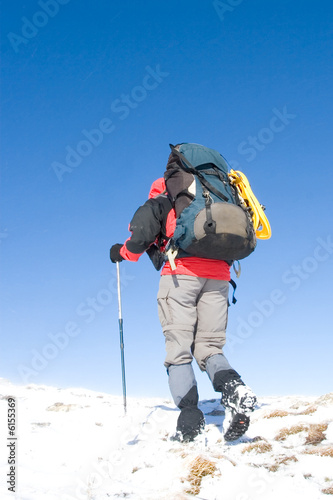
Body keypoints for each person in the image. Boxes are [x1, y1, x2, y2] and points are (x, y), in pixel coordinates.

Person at [110, 150, 257, 442]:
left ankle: (190, 420)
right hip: (220, 277)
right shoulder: (219, 193)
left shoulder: (163, 198)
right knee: (210, 347)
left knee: (178, 349)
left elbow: (140, 237)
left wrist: (121, 253)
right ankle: (234, 388)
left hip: (180, 275)